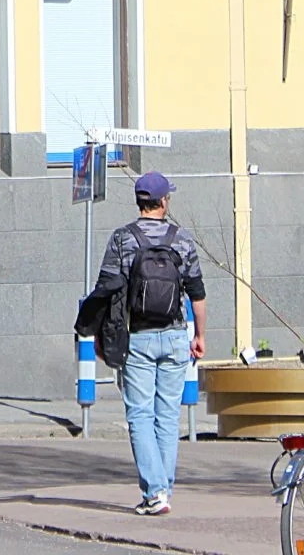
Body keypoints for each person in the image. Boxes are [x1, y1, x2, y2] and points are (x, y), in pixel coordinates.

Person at [95, 171, 206, 515]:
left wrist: (101, 336)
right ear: (164, 202)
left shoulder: (122, 240)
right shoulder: (182, 240)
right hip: (175, 337)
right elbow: (197, 293)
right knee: (167, 416)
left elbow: (106, 290)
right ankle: (163, 490)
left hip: (139, 337)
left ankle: (155, 492)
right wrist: (199, 335)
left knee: (140, 415)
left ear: (139, 202)